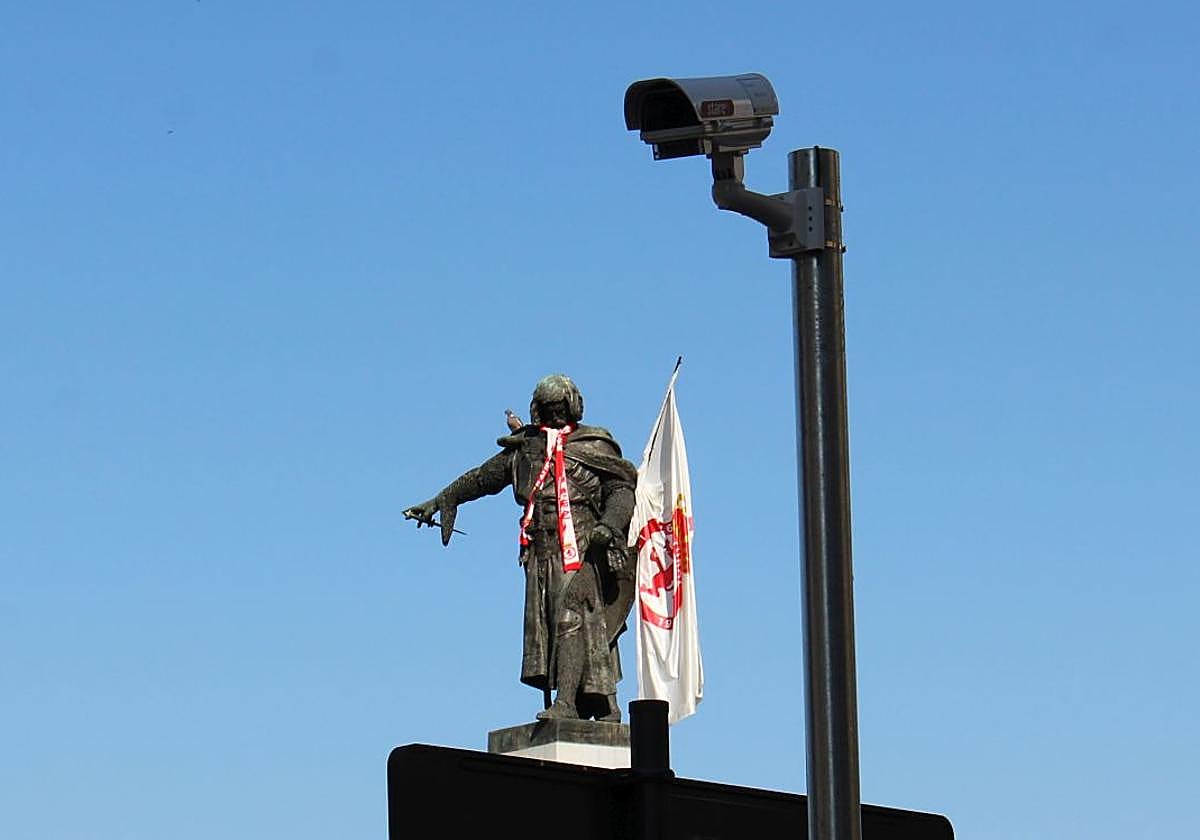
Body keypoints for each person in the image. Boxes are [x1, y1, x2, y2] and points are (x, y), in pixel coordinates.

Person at [404, 374, 637, 722]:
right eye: (549, 409)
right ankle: (602, 704)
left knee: (573, 617)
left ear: (572, 406)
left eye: (560, 408)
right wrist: (442, 499)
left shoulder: (595, 445)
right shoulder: (527, 449)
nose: (556, 415)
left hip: (583, 550)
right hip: (542, 554)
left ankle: (569, 704)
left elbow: (621, 491)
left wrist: (608, 525)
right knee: (556, 624)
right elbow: (484, 477)